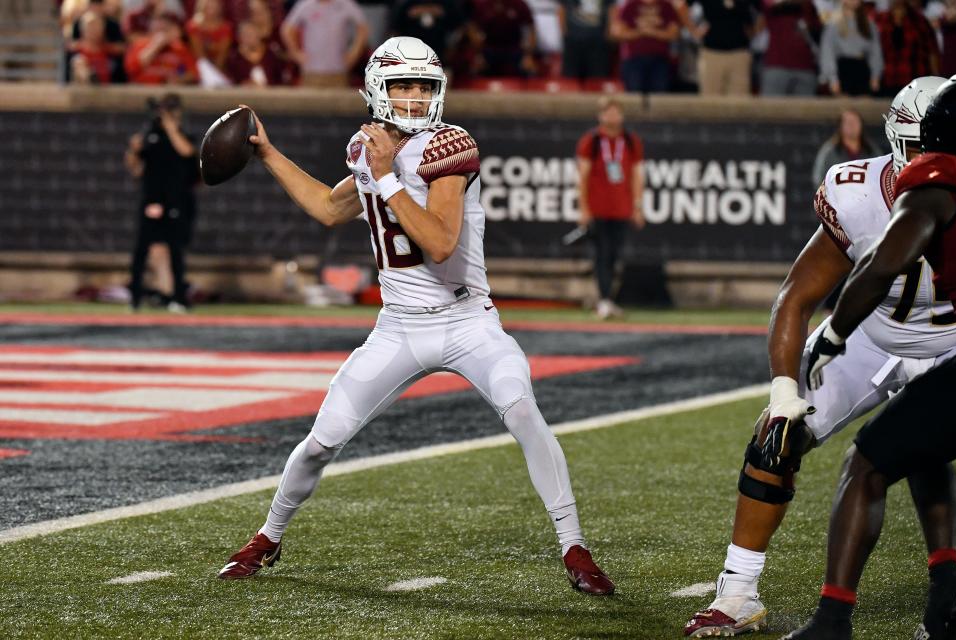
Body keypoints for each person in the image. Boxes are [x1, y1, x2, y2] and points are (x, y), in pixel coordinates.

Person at [217, 36, 615, 597]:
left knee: (522, 410)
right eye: (402, 85)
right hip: (399, 325)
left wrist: (386, 177)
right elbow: (330, 208)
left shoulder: (448, 145)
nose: (412, 96)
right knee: (321, 441)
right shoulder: (366, 147)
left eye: (423, 85)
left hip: (467, 321)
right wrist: (268, 153)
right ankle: (268, 537)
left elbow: (440, 244)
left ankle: (574, 547)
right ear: (378, 88)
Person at [682, 76, 956, 638]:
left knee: (922, 450)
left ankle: (946, 598)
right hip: (868, 336)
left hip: (952, 346)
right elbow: (796, 296)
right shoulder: (856, 192)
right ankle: (737, 592)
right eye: (916, 147)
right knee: (774, 436)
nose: (925, 161)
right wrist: (785, 391)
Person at [785, 74, 956, 640]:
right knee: (921, 441)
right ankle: (948, 600)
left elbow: (883, 261)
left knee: (867, 463)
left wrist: (834, 332)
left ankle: (832, 621)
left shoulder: (938, 179)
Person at [124, 93, 197, 312]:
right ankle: (135, 298)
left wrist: (171, 126)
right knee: (141, 251)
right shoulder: (151, 135)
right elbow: (136, 169)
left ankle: (178, 298)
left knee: (176, 252)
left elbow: (187, 152)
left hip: (176, 200)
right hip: (152, 200)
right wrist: (133, 151)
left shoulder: (182, 135)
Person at [575, 96, 645, 320]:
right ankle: (604, 300)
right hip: (598, 208)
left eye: (616, 112)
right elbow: (583, 176)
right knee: (602, 255)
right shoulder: (592, 141)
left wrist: (637, 206)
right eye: (608, 112)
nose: (613, 117)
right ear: (601, 115)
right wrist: (584, 208)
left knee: (615, 256)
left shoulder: (631, 141)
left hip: (622, 208)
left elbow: (637, 175)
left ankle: (608, 299)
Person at [280, 0, 369, 88]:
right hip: (312, 71)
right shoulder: (305, 4)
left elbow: (363, 28)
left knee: (338, 101)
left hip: (338, 70)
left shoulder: (345, 4)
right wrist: (296, 53)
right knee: (311, 102)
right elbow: (287, 30)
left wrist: (354, 53)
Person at [688, 0, 760, 96]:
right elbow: (680, 3)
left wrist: (755, 31)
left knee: (739, 104)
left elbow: (764, 9)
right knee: (710, 103)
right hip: (711, 53)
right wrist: (693, 30)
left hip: (740, 53)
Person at [612, 0, 681, 94]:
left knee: (660, 96)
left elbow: (674, 34)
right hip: (633, 59)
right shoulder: (629, 5)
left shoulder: (666, 5)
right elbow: (618, 33)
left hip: (660, 60)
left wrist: (652, 32)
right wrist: (641, 32)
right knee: (634, 96)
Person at [758, 0, 822, 97]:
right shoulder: (772, 6)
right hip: (776, 66)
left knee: (806, 111)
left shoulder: (808, 6)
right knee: (771, 111)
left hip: (805, 68)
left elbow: (817, 27)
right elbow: (767, 4)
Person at [819, 0, 882, 96]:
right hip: (843, 69)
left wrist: (875, 76)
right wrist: (833, 79)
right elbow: (828, 52)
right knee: (844, 108)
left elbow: (875, 52)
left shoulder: (868, 24)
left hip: (862, 69)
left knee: (864, 108)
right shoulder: (833, 24)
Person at [811, 109, 880, 189]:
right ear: (840, 126)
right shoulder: (830, 152)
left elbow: (882, 174)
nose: (852, 125)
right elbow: (818, 179)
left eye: (855, 122)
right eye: (848, 122)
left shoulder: (871, 150)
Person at [124, 12, 198, 84]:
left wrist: (179, 79)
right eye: (157, 29)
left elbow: (194, 73)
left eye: (164, 30)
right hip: (143, 90)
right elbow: (132, 69)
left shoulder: (179, 48)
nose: (160, 34)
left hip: (169, 92)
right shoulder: (139, 45)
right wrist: (155, 47)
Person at [557, 0, 616, 81]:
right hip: (573, 43)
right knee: (570, 80)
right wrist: (565, 34)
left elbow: (612, 9)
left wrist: (608, 34)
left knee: (597, 80)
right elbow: (561, 9)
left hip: (598, 44)